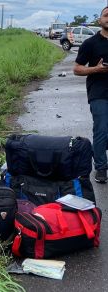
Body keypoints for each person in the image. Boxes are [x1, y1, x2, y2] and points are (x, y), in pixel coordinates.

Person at [73, 6, 108, 183]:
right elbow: (77, 69)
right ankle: (101, 168)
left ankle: (100, 153)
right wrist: (97, 69)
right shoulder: (91, 43)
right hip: (99, 92)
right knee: (102, 129)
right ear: (99, 20)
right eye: (106, 15)